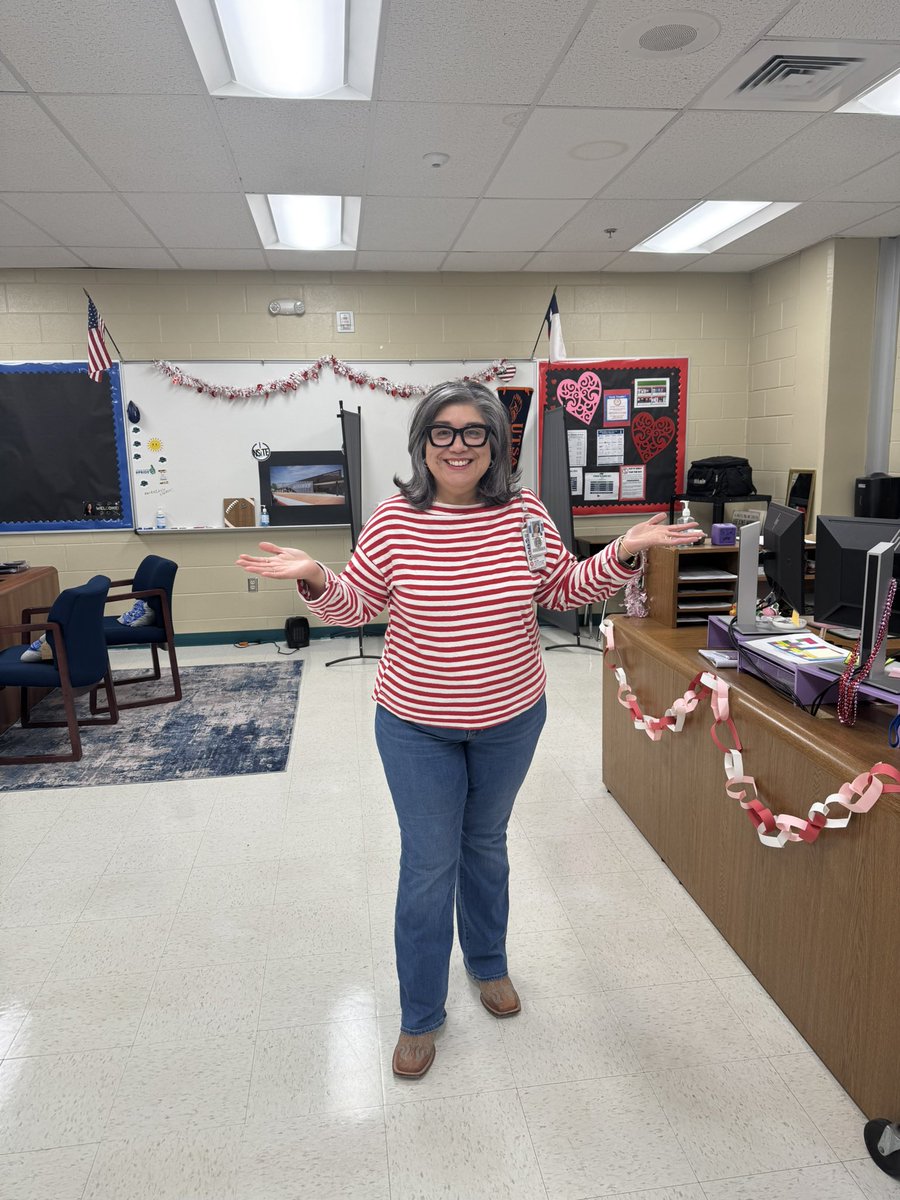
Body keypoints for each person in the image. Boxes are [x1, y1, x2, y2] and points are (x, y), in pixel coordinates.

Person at [236, 380, 702, 1079]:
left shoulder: (525, 514)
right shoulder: (395, 519)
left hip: (512, 717)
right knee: (428, 865)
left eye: (473, 432)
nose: (458, 445)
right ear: (423, 444)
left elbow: (561, 590)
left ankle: (488, 964)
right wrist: (315, 578)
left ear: (496, 443)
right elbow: (358, 604)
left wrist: (624, 552)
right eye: (443, 432)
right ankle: (420, 1013)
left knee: (485, 844)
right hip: (416, 723)